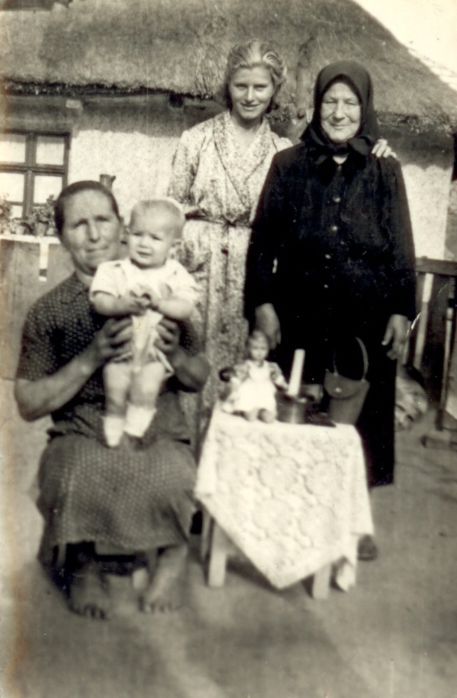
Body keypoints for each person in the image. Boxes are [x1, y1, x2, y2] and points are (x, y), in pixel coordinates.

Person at [169, 40, 394, 442]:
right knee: (192, 368)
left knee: (249, 376)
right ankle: (187, 460)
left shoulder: (284, 151)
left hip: (255, 278)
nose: (250, 96)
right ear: (227, 86)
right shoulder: (195, 140)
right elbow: (171, 211)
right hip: (198, 271)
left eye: (260, 87)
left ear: (274, 90)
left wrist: (377, 149)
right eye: (241, 86)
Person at [245, 61, 416, 561]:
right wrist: (263, 304)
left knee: (362, 421)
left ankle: (353, 522)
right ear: (316, 106)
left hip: (365, 318)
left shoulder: (385, 169)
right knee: (296, 409)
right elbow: (262, 243)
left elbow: (402, 246)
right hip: (299, 314)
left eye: (350, 103)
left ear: (365, 109)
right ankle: (286, 514)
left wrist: (401, 311)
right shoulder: (288, 165)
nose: (339, 113)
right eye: (330, 102)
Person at [14, 181, 209, 618]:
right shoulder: (51, 310)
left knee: (173, 474)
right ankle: (83, 564)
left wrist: (176, 354)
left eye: (103, 220)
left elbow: (198, 378)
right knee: (77, 471)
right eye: (78, 225)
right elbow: (27, 402)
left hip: (157, 421)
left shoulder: (164, 289)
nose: (94, 234)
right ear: (62, 236)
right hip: (82, 426)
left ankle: (171, 554)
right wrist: (91, 357)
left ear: (122, 225)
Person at [90, 198, 198, 447]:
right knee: (115, 388)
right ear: (126, 234)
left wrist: (159, 303)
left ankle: (135, 429)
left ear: (174, 245)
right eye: (138, 234)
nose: (144, 243)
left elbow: (185, 307)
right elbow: (99, 300)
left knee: (146, 390)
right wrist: (121, 304)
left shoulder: (176, 274)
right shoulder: (114, 269)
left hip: (153, 351)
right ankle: (114, 424)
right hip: (120, 348)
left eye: (155, 238)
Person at [220, 329, 288, 422]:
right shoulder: (247, 365)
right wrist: (234, 388)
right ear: (249, 349)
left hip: (265, 393)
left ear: (268, 350)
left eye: (263, 349)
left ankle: (263, 411)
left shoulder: (270, 366)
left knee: (269, 418)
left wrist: (283, 384)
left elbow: (277, 378)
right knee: (251, 417)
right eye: (255, 348)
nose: (259, 352)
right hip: (250, 393)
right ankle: (245, 411)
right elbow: (238, 379)